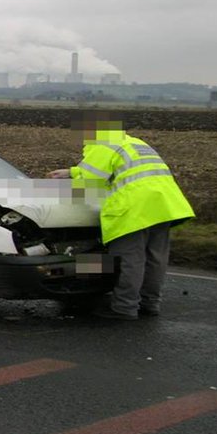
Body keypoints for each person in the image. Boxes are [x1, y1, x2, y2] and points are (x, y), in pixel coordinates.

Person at [48, 112, 194, 320]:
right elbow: (116, 169)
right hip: (164, 205)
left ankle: (124, 308)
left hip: (134, 208)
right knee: (155, 259)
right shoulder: (132, 142)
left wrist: (61, 189)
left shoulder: (101, 145)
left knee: (130, 260)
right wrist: (71, 171)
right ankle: (150, 304)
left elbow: (91, 182)